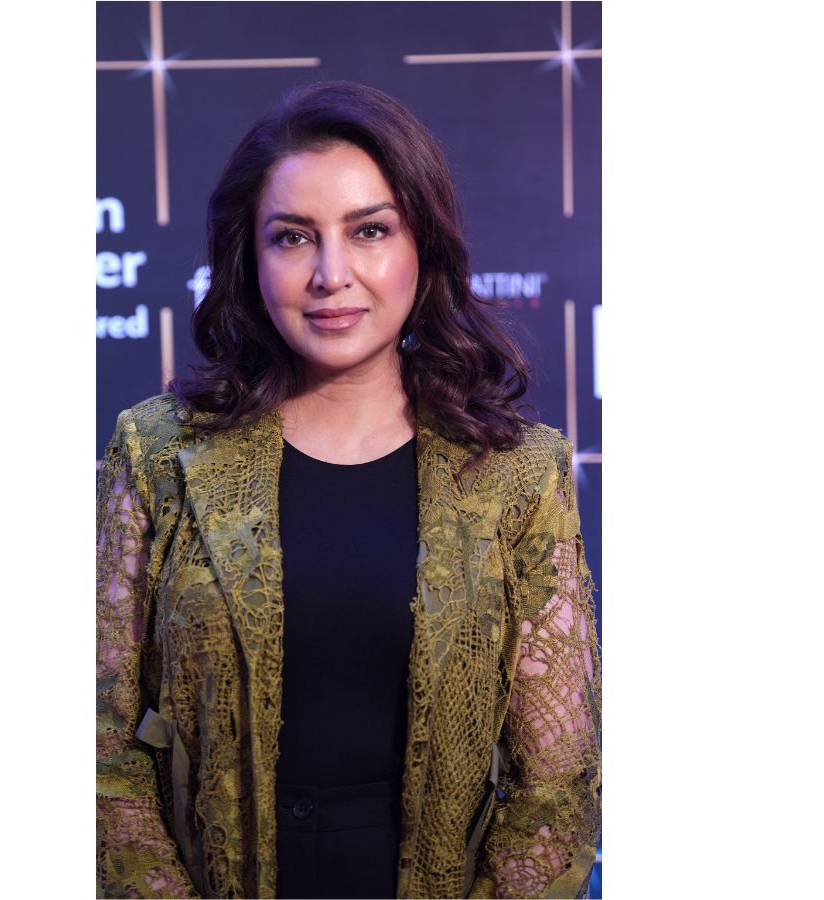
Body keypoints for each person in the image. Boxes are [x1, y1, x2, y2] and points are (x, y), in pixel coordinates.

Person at [97, 81, 600, 899]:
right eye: (293, 237)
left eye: (369, 230)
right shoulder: (157, 454)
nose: (332, 274)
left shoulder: (518, 472)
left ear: (422, 245)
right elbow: (99, 744)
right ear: (249, 258)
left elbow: (557, 781)